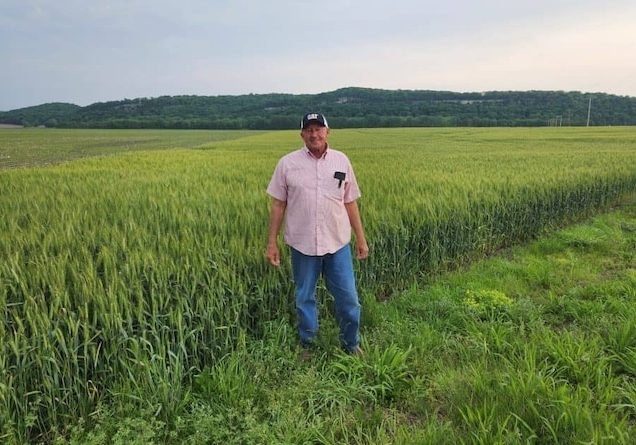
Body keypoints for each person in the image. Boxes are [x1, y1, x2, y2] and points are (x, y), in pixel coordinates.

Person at [266, 112, 369, 355]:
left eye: (318, 129)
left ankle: (351, 344)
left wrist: (361, 239)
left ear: (327, 131)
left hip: (337, 244)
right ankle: (308, 346)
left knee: (349, 300)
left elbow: (350, 202)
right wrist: (272, 243)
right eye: (309, 130)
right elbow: (278, 204)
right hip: (302, 245)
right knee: (304, 299)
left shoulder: (341, 161)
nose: (314, 134)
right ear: (302, 134)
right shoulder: (287, 164)